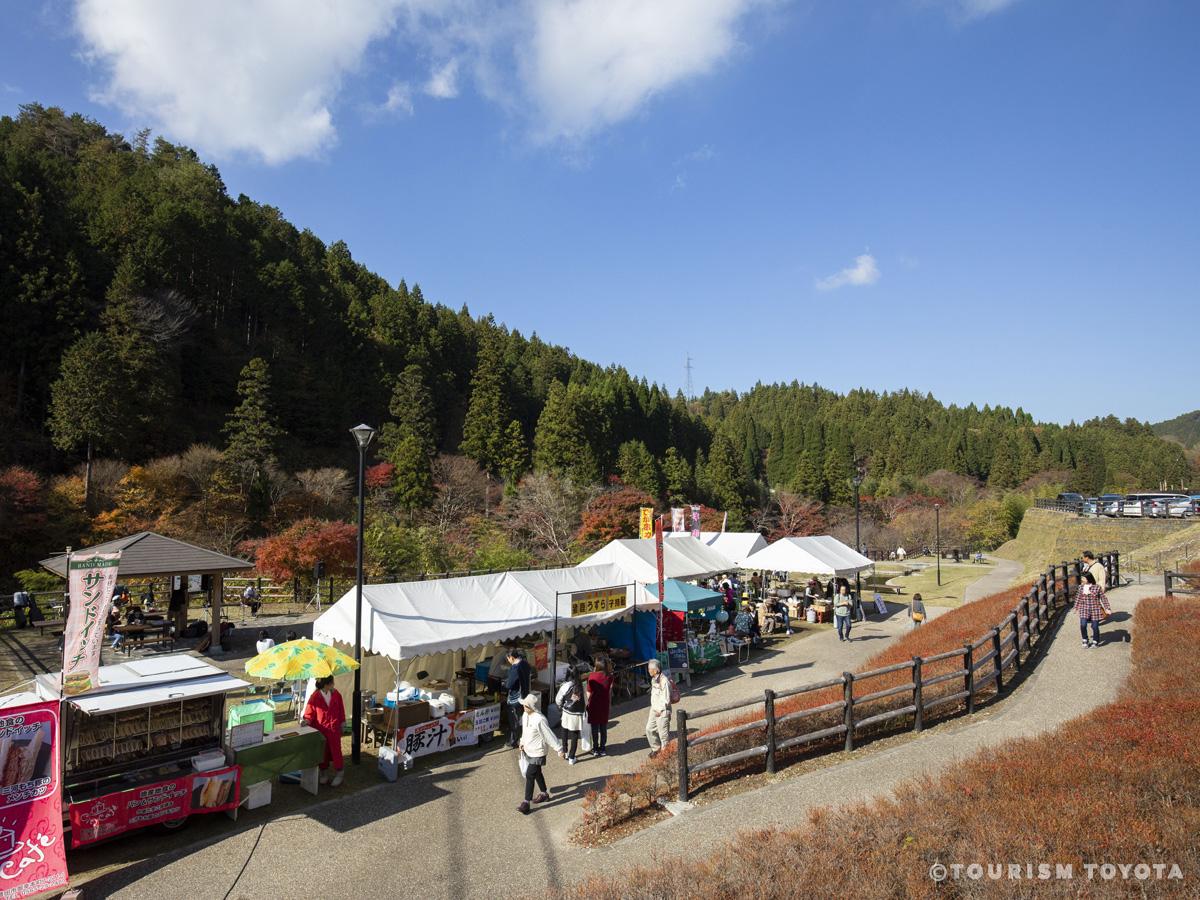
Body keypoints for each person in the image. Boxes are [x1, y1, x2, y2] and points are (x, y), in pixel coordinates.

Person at [517, 692, 563, 814]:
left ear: (532, 707)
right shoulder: (525, 715)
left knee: (530, 774)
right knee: (537, 772)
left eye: (526, 706)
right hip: (528, 749)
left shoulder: (540, 719)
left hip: (538, 752)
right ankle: (544, 794)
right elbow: (524, 731)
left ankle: (526, 803)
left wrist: (559, 749)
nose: (524, 707)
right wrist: (521, 742)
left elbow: (549, 735)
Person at [302, 675, 346, 786]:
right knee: (323, 752)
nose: (334, 684)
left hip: (334, 728)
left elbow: (341, 710)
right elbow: (309, 713)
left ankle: (340, 773)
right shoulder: (315, 696)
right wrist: (306, 721)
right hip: (321, 729)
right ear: (327, 684)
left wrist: (342, 722)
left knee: (336, 751)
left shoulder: (336, 694)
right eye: (332, 682)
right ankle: (324, 774)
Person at [555, 668, 586, 765]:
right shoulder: (582, 686)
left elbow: (558, 699)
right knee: (575, 735)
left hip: (567, 712)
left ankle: (565, 751)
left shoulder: (566, 685)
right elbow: (586, 700)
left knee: (564, 731)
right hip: (577, 715)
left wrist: (560, 706)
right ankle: (572, 757)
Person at [1075, 571, 1111, 648]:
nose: (1082, 579)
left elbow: (1103, 598)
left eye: (1083, 578)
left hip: (1095, 609)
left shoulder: (1097, 587)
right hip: (1083, 609)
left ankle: (1095, 641)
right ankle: (1085, 639)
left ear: (1088, 578)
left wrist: (1107, 608)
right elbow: (1078, 598)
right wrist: (1076, 607)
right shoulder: (1080, 587)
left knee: (1095, 626)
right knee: (1083, 625)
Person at [504, 648, 531, 748]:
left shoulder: (515, 668)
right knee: (522, 718)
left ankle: (513, 741)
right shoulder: (525, 663)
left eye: (508, 659)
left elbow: (509, 684)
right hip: (525, 695)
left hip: (516, 698)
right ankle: (524, 737)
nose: (508, 661)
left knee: (514, 719)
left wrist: (505, 684)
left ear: (511, 657)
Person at [586, 658, 613, 757]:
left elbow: (588, 693)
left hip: (594, 704)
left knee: (594, 728)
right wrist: (609, 704)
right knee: (603, 727)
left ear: (596, 666)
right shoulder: (609, 677)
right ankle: (603, 748)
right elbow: (610, 691)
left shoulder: (592, 676)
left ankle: (595, 748)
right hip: (604, 704)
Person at [645, 659, 673, 758]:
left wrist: (660, 710)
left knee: (663, 736)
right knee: (649, 729)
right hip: (654, 709)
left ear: (656, 670)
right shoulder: (653, 679)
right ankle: (656, 749)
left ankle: (666, 756)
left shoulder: (664, 681)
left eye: (650, 669)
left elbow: (666, 699)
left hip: (662, 711)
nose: (648, 671)